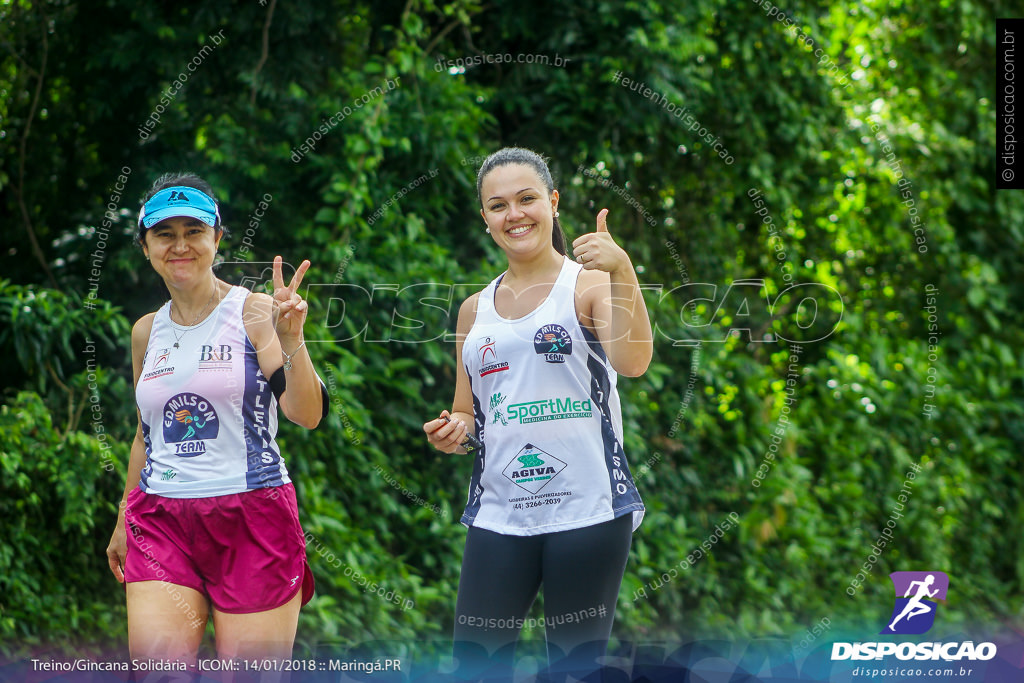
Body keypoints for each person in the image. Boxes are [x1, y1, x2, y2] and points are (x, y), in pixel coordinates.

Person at [423, 148, 653, 681]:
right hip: (500, 514)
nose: (515, 214)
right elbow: (469, 415)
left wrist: (622, 268)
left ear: (552, 202)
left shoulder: (589, 284)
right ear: (485, 218)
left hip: (589, 511)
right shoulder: (473, 311)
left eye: (527, 199)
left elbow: (633, 361)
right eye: (498, 205)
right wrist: (455, 433)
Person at [104, 172, 327, 670]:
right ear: (145, 246)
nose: (180, 245)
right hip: (160, 518)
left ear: (216, 239)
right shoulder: (146, 332)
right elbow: (146, 432)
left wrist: (292, 341)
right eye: (165, 234)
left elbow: (306, 415)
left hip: (252, 514)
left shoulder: (253, 312)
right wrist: (125, 514)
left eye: (194, 232)